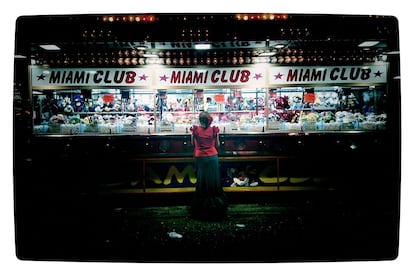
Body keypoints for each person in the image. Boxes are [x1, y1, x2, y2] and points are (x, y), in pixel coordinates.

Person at [190, 111, 228, 220]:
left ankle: (201, 205)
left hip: (200, 157)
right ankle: (216, 205)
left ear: (199, 120)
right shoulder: (214, 130)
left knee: (202, 180)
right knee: (213, 180)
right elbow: (218, 144)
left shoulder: (195, 130)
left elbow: (192, 144)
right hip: (212, 157)